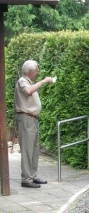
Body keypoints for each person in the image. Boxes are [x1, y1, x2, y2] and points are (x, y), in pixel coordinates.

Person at [14, 60, 53, 188]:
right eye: (36, 70)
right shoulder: (22, 82)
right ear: (30, 72)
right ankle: (26, 179)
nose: (38, 73)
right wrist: (43, 82)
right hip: (26, 119)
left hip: (32, 120)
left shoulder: (29, 82)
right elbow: (29, 91)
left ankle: (32, 176)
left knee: (35, 150)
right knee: (27, 149)